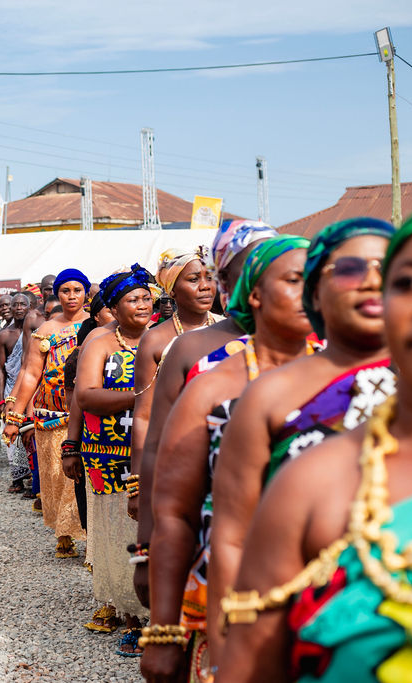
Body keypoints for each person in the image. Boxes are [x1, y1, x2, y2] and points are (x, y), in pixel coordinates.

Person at [215, 210, 412, 682]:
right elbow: (225, 533)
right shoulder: (312, 478)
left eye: (383, 271)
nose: (370, 282)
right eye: (408, 282)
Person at [140, 235, 312, 681]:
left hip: (335, 598)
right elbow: (175, 505)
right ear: (251, 291)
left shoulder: (355, 374)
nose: (311, 291)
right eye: (295, 279)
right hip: (230, 586)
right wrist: (162, 626)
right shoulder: (211, 377)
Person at [133, 220, 277, 607]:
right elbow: (155, 442)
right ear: (228, 276)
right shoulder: (188, 348)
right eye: (253, 268)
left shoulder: (320, 348)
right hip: (211, 532)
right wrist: (147, 548)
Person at [64, 264, 152, 650]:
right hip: (107, 454)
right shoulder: (100, 341)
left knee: (158, 528)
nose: (143, 304)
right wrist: (141, 399)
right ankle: (132, 615)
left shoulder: (167, 336)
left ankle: (165, 611)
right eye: (133, 299)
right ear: (114, 309)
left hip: (155, 450)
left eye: (147, 297)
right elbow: (85, 396)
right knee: (120, 534)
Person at [4, 269, 90, 558]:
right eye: (66, 291)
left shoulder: (97, 326)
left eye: (77, 290)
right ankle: (64, 532)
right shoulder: (46, 330)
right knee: (57, 475)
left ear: (86, 293)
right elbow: (30, 374)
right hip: (53, 414)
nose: (72, 296)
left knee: (82, 476)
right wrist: (15, 417)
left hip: (89, 412)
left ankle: (91, 540)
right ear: (57, 295)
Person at [130, 248, 219, 519]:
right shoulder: (155, 340)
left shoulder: (232, 330)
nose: (205, 286)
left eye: (209, 277)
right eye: (193, 279)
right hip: (178, 458)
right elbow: (144, 414)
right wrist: (137, 483)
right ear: (172, 290)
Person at [0, 293, 30, 492]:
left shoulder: (36, 330)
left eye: (22, 304)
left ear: (29, 307)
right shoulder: (4, 334)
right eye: (15, 304)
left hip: (30, 386)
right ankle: (18, 478)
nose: (18, 308)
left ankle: (33, 480)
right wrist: (1, 399)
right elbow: (0, 369)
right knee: (11, 433)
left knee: (28, 431)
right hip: (11, 388)